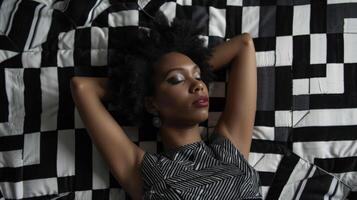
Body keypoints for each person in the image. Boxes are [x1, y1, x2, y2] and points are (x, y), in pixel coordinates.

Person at [70, 10, 260, 200]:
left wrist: (192, 67)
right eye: (176, 79)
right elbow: (83, 87)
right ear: (152, 104)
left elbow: (244, 45)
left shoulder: (229, 152)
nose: (198, 85)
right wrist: (138, 87)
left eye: (199, 76)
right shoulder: (145, 169)